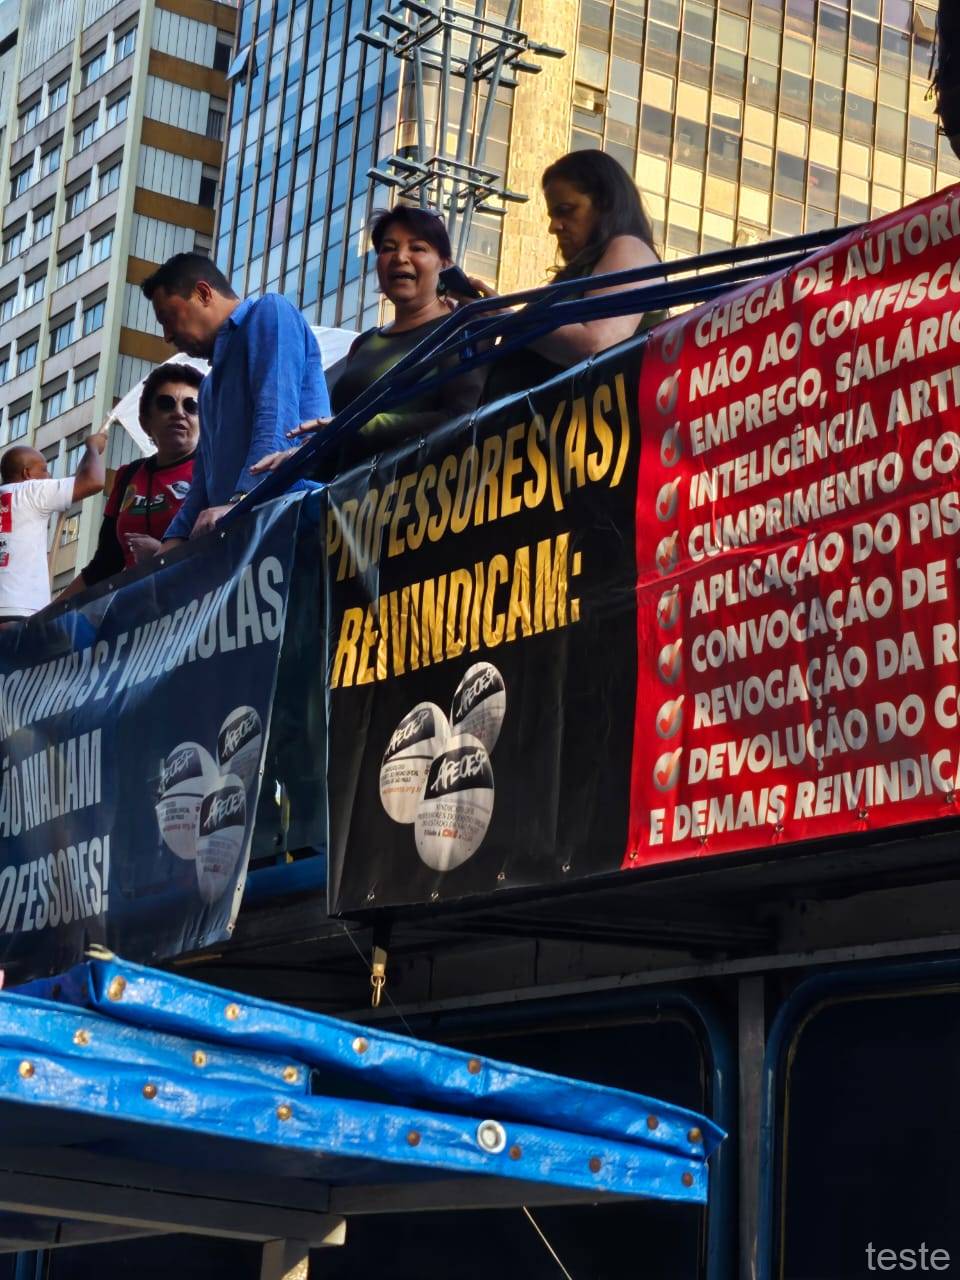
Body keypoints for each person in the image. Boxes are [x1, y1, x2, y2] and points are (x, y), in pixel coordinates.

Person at [251, 206, 486, 475]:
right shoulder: (364, 343)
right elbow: (342, 438)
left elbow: (462, 418)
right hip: (349, 495)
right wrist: (301, 454)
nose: (400, 257)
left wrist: (358, 425)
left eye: (418, 248)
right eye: (388, 248)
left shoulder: (462, 329)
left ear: (445, 265)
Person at [140, 254, 329, 544]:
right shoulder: (207, 388)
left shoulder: (270, 312)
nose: (167, 335)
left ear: (203, 293)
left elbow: (276, 422)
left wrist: (240, 501)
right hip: (240, 540)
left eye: (169, 318)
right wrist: (172, 542)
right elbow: (201, 487)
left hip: (294, 523)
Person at [474, 149, 666, 401]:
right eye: (553, 215)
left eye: (566, 210)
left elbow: (597, 344)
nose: (554, 226)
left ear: (604, 203)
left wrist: (511, 320)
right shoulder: (585, 268)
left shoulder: (629, 248)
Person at [60, 364, 202, 597]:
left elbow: (226, 543)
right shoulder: (128, 475)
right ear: (145, 421)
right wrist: (49, 613)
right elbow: (106, 563)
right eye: (166, 404)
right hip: (135, 609)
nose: (179, 413)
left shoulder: (213, 469)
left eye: (191, 406)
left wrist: (162, 554)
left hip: (195, 605)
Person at [0, 433, 107, 624]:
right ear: (27, 474)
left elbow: (75, 482)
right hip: (20, 608)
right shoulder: (31, 491)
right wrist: (93, 447)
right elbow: (94, 481)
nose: (48, 476)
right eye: (44, 470)